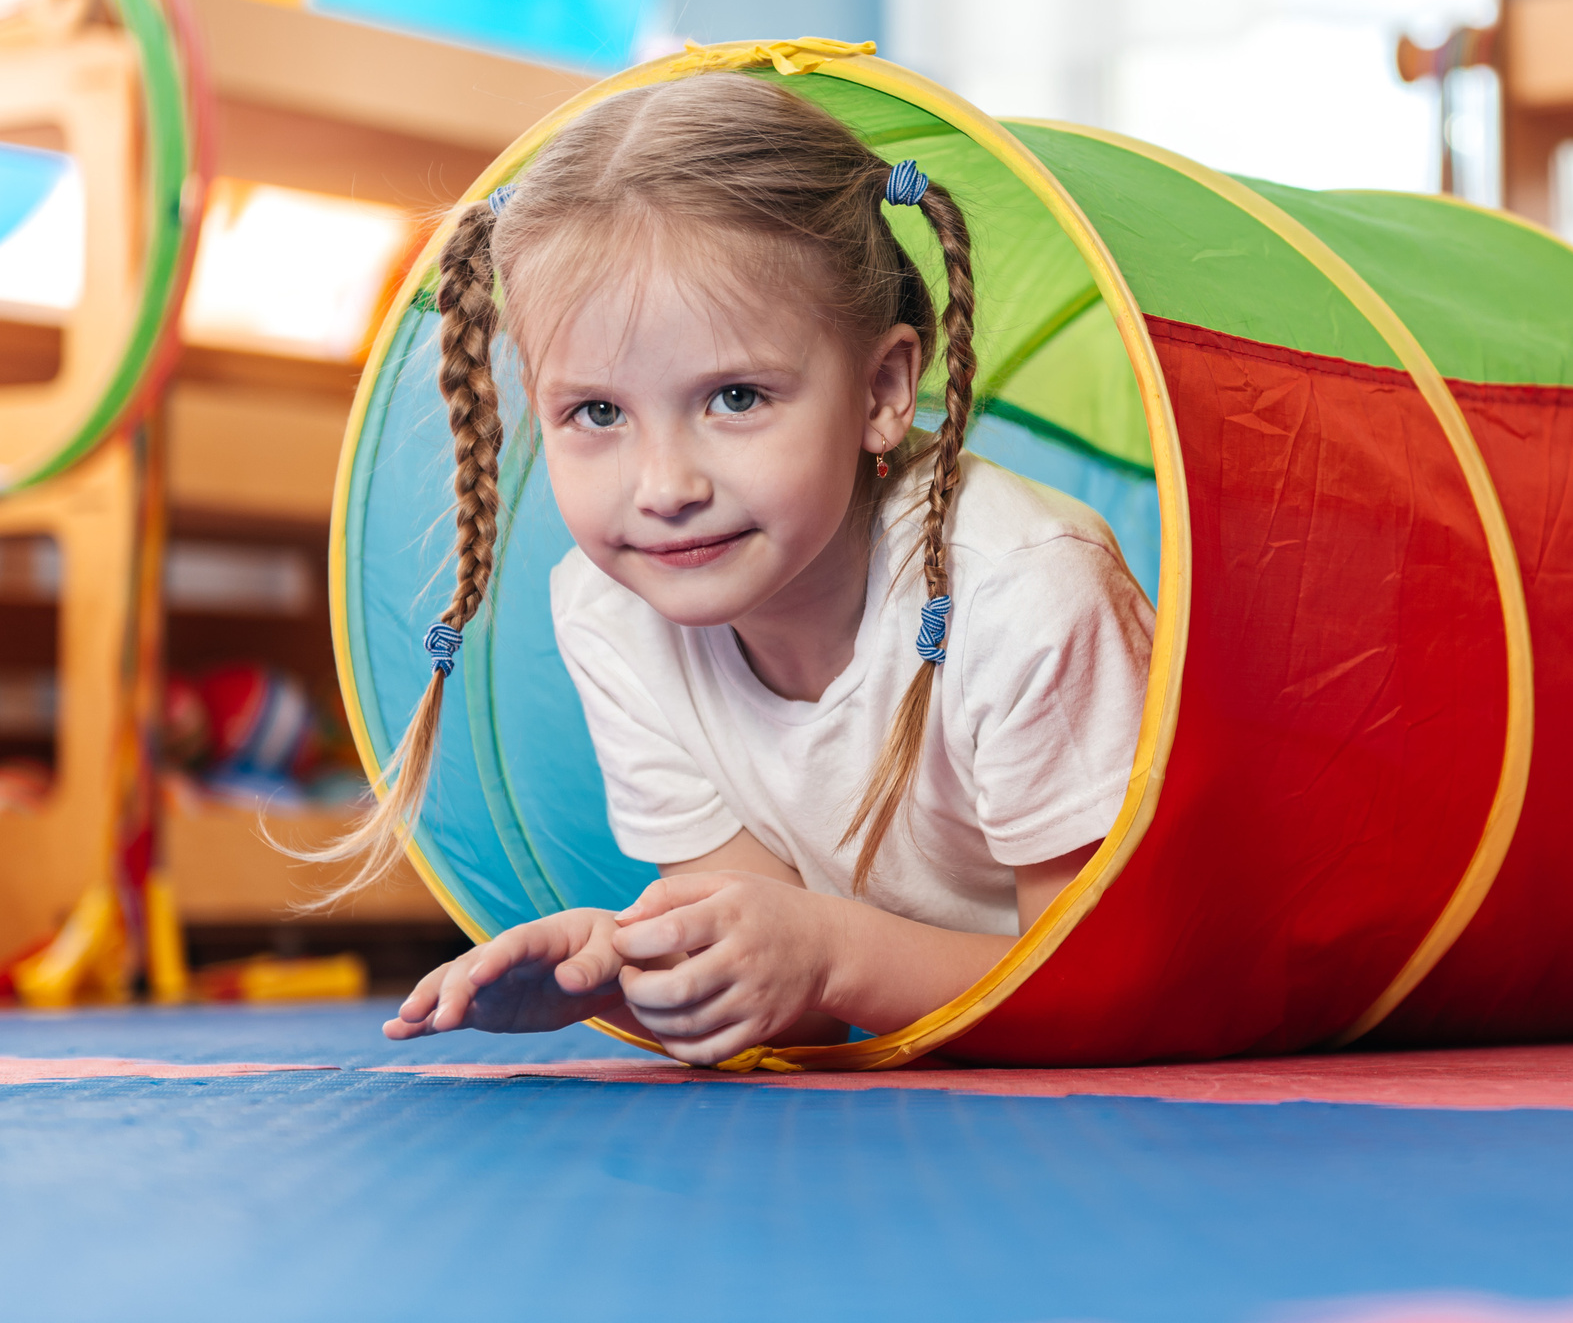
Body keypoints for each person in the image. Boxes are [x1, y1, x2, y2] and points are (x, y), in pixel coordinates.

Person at [324, 73, 1153, 1066]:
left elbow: (1102, 1003)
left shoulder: (1024, 597)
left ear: (885, 389)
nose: (664, 485)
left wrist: (833, 955)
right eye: (597, 413)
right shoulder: (608, 616)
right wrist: (627, 972)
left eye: (734, 397)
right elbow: (788, 1010)